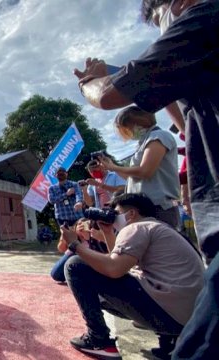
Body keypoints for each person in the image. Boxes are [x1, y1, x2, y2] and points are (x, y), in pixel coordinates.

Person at [74, 2, 219, 356]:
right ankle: (171, 340)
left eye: (157, 20)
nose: (161, 29)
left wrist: (91, 82)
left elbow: (142, 172)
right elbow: (181, 114)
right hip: (146, 208)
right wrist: (105, 186)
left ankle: (171, 335)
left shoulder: (158, 138)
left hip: (154, 210)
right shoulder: (195, 86)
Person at [62, 193, 204, 359]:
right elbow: (118, 262)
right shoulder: (158, 227)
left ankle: (98, 340)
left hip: (167, 315)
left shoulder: (136, 227)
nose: (112, 216)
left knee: (76, 265)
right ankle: (169, 343)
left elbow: (113, 269)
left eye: (116, 212)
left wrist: (75, 245)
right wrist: (108, 233)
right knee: (136, 276)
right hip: (187, 319)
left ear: (131, 214)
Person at [98, 106, 180, 229]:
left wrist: (115, 167)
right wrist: (112, 167)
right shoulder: (144, 142)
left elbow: (145, 171)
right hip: (142, 208)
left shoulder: (158, 136)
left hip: (158, 208)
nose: (128, 132)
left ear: (139, 121)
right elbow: (131, 177)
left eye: (127, 127)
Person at [49, 218, 108, 283]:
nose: (81, 226)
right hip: (71, 262)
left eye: (85, 224)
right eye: (79, 224)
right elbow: (61, 249)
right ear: (75, 227)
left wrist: (88, 238)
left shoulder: (95, 237)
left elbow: (99, 255)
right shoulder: (71, 236)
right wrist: (64, 238)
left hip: (91, 266)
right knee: (55, 274)